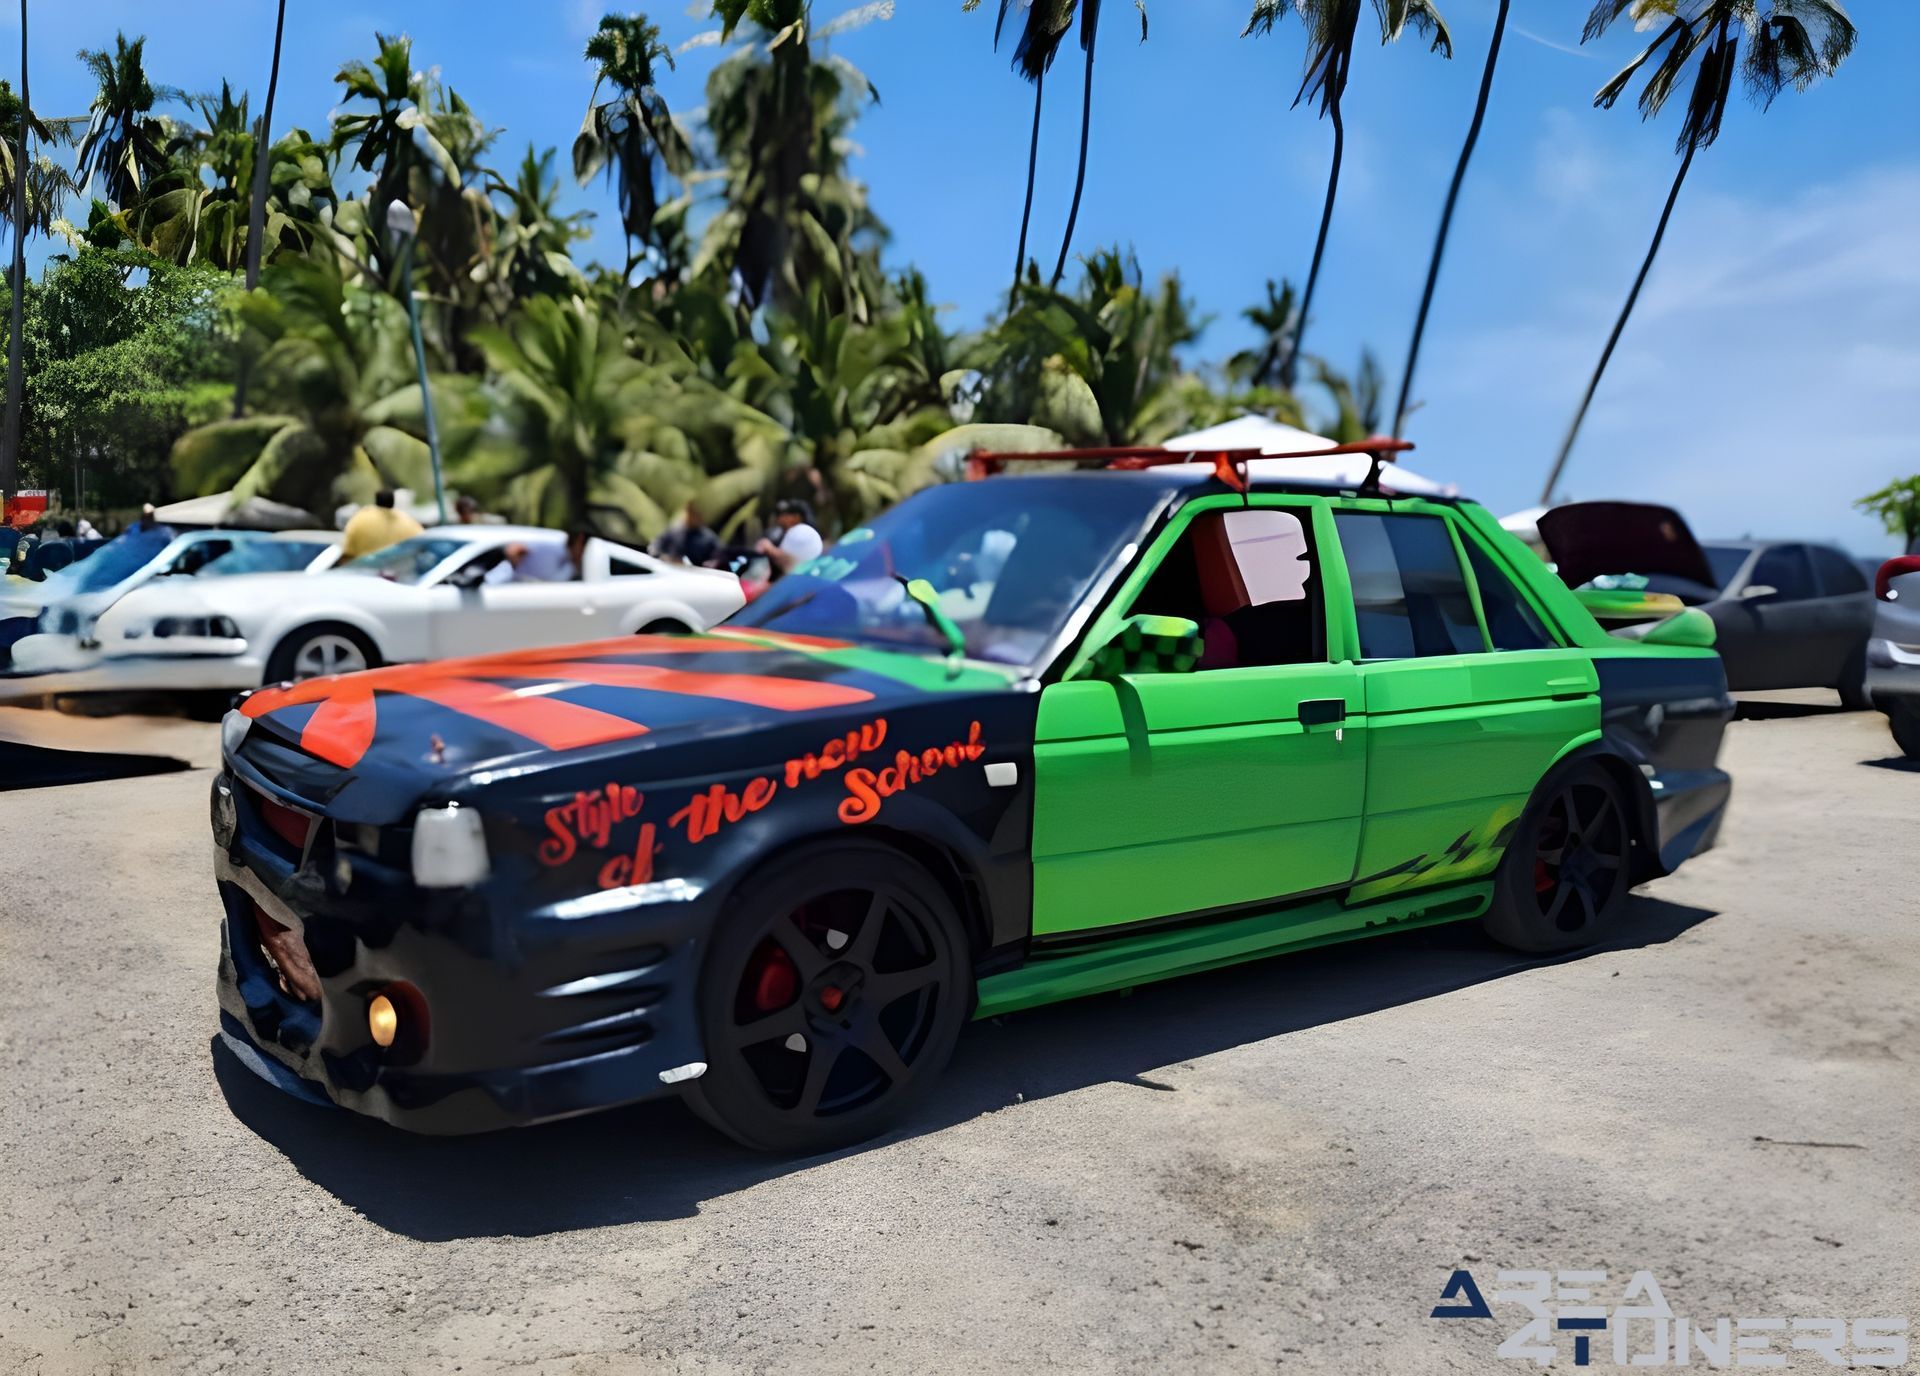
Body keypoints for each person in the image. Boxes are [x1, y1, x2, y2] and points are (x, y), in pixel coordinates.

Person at [341, 489, 423, 563]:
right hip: (399, 572)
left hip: (364, 571)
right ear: (393, 502)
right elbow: (423, 542)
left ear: (376, 500)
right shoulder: (408, 522)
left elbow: (347, 553)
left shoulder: (359, 520)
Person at [755, 499, 824, 577]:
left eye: (784, 514)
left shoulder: (807, 535)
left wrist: (771, 550)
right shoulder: (776, 534)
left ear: (796, 517)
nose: (779, 518)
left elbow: (794, 561)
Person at [650, 500, 721, 568]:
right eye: (693, 513)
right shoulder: (675, 530)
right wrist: (662, 556)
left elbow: (720, 556)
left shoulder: (708, 538)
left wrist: (712, 564)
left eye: (697, 515)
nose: (695, 518)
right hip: (670, 569)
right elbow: (655, 546)